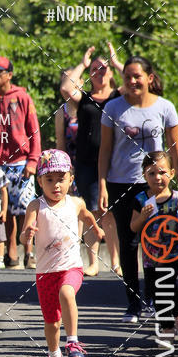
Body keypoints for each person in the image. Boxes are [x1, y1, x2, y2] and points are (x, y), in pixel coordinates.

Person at [98, 55, 178, 324]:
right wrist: (102, 183)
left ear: (149, 77)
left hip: (155, 183)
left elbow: (174, 149)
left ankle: (156, 299)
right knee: (129, 242)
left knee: (155, 242)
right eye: (128, 76)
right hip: (121, 182)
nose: (133, 81)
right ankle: (133, 303)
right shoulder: (112, 108)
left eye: (138, 76)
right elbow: (105, 150)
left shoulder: (166, 107)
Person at [20, 150, 105, 357]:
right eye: (49, 179)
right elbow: (23, 234)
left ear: (71, 179)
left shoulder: (75, 202)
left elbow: (87, 215)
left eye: (61, 179)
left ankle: (74, 342)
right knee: (52, 322)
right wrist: (26, 235)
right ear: (40, 181)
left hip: (71, 267)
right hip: (45, 273)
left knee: (67, 293)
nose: (56, 185)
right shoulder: (36, 206)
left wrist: (96, 230)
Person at [60, 44, 122, 277]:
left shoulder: (119, 97)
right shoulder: (84, 99)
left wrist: (116, 62)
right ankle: (93, 263)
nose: (99, 71)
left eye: (103, 68)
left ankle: (116, 262)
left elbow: (138, 82)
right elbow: (67, 87)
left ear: (111, 73)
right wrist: (83, 65)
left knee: (111, 213)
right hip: (86, 163)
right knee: (92, 213)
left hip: (114, 163)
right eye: (94, 69)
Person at [0, 56, 41, 269]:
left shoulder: (22, 97)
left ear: (9, 75)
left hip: (21, 162)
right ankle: (10, 253)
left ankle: (29, 252)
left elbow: (34, 131)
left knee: (24, 209)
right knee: (3, 211)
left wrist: (33, 161)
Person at [130, 151, 178, 337]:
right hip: (151, 254)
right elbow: (133, 226)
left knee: (166, 282)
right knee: (155, 288)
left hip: (174, 252)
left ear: (171, 173)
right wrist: (143, 216)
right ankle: (167, 326)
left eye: (162, 172)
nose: (157, 177)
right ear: (144, 175)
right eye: (151, 173)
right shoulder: (141, 199)